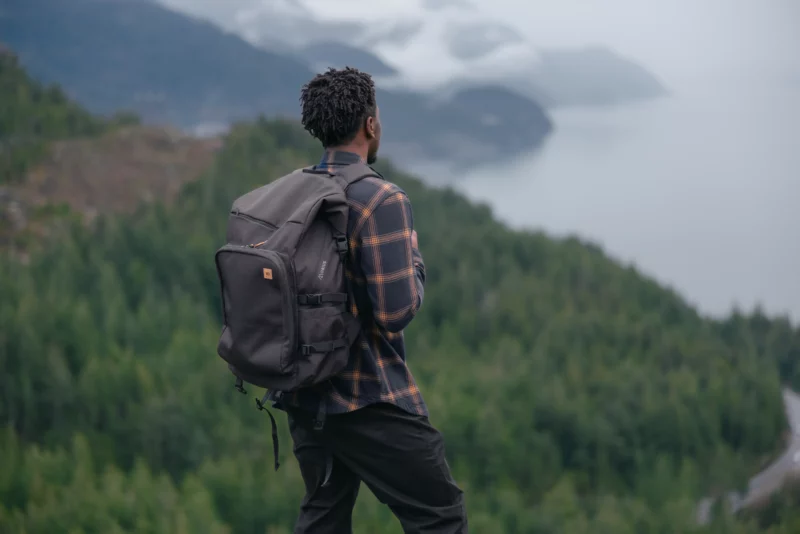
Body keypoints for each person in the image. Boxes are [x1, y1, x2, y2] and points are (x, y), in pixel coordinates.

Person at [275, 66, 468, 533]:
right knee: (440, 516)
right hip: (367, 397)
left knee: (324, 516)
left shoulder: (292, 193)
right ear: (371, 124)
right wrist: (415, 263)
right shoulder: (380, 198)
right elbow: (395, 312)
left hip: (302, 392)